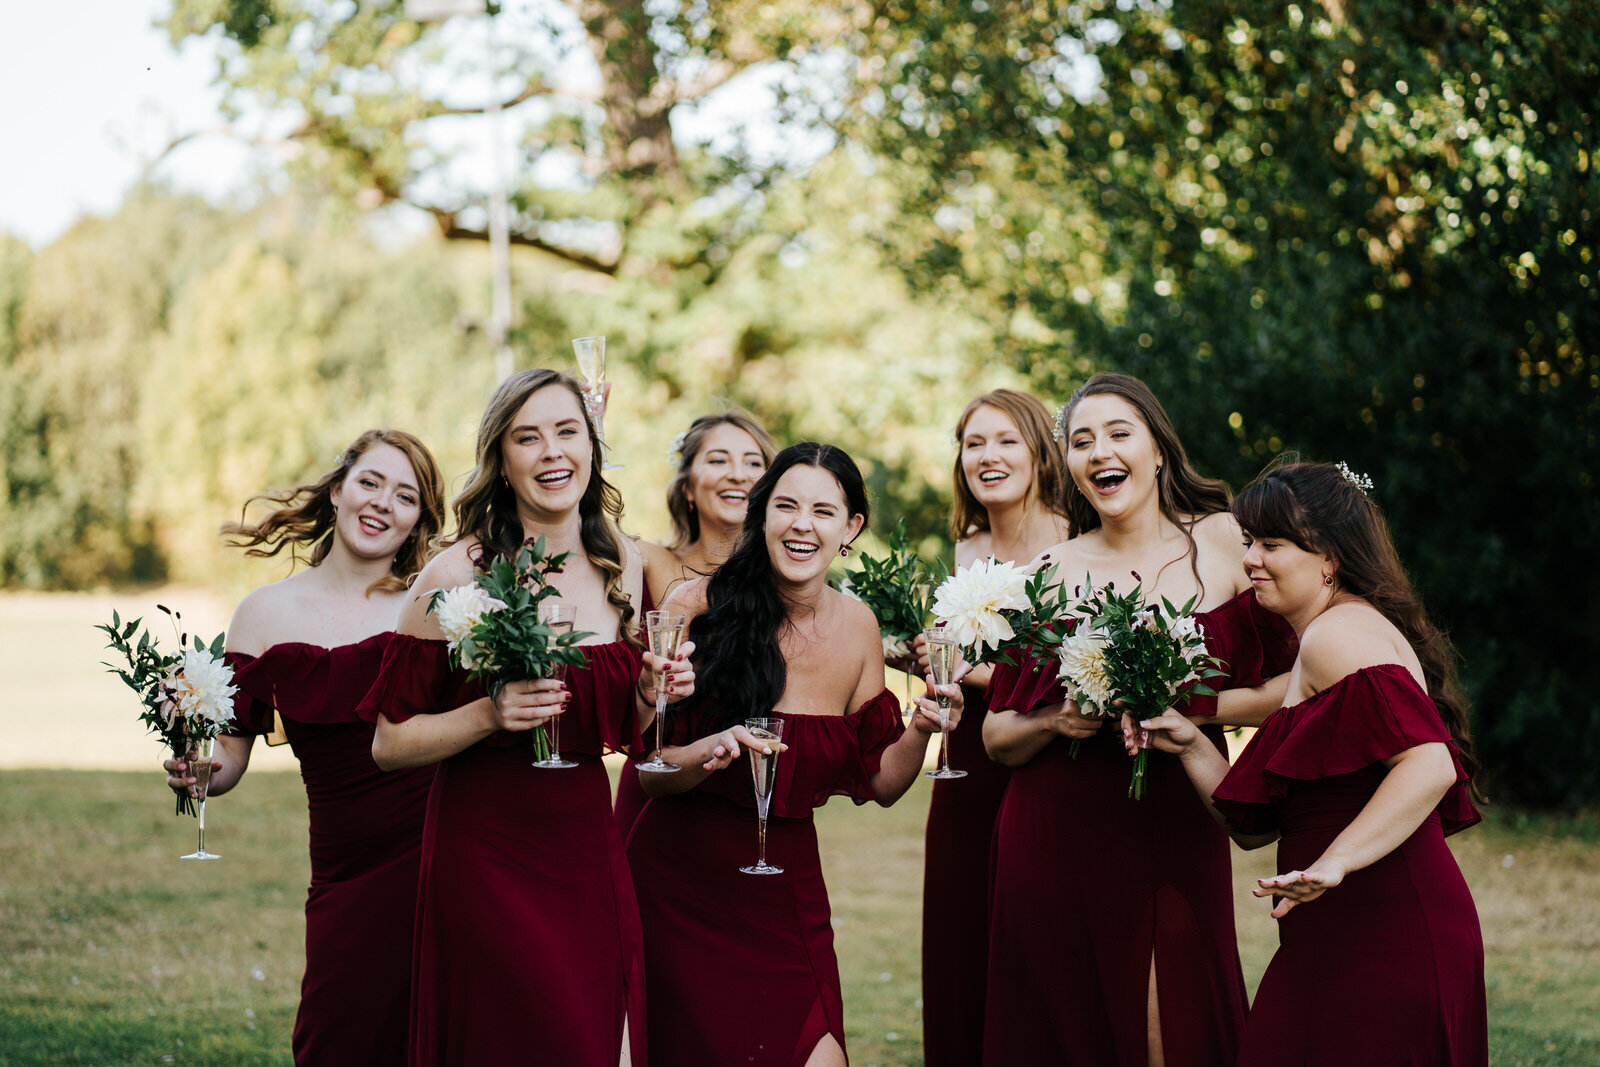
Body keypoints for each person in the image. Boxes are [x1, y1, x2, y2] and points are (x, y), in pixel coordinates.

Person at [359, 369, 693, 1065]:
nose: (551, 453)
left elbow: (622, 730)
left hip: (583, 843)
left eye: (567, 432)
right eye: (527, 437)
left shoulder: (620, 565)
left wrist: (654, 692)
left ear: (592, 447)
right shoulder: (456, 574)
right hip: (484, 853)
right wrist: (489, 712)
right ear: (501, 460)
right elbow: (390, 742)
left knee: (602, 1036)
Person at [981, 372, 1297, 1067]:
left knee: (1172, 1028)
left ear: (1157, 449)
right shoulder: (1050, 571)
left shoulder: (1222, 541)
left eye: (1118, 433)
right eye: (1081, 441)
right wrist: (1056, 721)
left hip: (1181, 817)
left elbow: (1292, 681)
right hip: (1056, 834)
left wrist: (1191, 709)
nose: (1099, 452)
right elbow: (996, 735)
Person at [1134, 458, 1487, 1066]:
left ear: (1328, 556)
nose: (1250, 560)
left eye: (1271, 544)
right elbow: (1264, 828)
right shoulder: (1317, 646)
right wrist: (1192, 742)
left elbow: (1431, 764)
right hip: (1331, 926)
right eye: (1248, 543)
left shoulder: (1338, 637)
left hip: (1386, 929)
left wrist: (1334, 864)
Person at [623, 442, 960, 1067]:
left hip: (786, 888)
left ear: (850, 527)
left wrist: (923, 727)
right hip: (679, 883)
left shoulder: (859, 627)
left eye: (823, 511)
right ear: (762, 514)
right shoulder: (694, 607)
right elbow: (651, 774)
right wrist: (712, 748)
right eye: (786, 506)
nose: (803, 524)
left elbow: (883, 782)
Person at [163, 429, 447, 1066]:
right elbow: (231, 754)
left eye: (405, 496)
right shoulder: (264, 615)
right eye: (370, 483)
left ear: (419, 521)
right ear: (339, 488)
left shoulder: (432, 607)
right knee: (341, 1037)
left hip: (446, 851)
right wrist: (203, 773)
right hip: (348, 872)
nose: (382, 504)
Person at [914, 388, 1071, 1067]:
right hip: (964, 773)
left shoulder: (1074, 545)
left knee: (1038, 954)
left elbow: (1071, 673)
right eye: (974, 443)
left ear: (1039, 450)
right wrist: (923, 655)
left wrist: (970, 670)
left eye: (1006, 440)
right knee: (960, 941)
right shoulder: (964, 546)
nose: (988, 456)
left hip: (1046, 767)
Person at [616, 409, 778, 835]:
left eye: (754, 462)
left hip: (746, 795)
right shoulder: (648, 560)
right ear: (687, 487)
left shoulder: (784, 587)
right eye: (718, 460)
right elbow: (584, 523)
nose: (738, 474)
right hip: (657, 790)